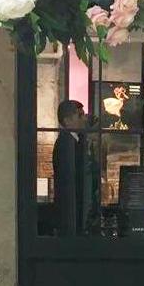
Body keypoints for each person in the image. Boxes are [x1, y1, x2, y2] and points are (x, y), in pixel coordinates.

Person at [52, 99, 86, 235]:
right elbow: (69, 180)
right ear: (67, 121)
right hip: (70, 210)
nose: (84, 119)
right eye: (80, 115)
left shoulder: (75, 141)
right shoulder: (65, 143)